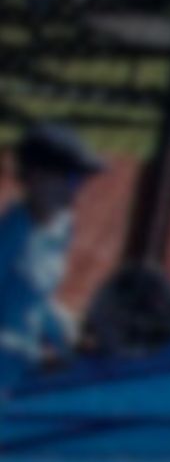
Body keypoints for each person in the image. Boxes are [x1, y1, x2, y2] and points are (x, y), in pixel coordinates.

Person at [0, 122, 104, 393]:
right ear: (35, 178)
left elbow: (33, 300)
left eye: (80, 180)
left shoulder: (61, 226)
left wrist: (65, 334)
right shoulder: (8, 238)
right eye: (69, 178)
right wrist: (33, 355)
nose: (75, 189)